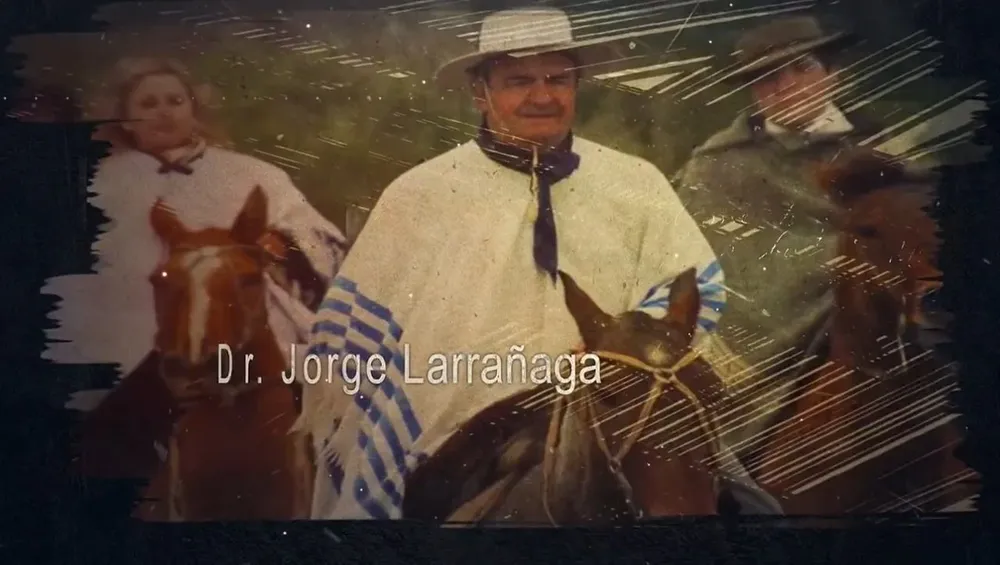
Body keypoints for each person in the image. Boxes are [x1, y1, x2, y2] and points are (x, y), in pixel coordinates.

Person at [297, 7, 781, 520]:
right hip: (461, 433)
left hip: (614, 420)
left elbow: (692, 286)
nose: (542, 96)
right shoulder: (421, 195)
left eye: (557, 79)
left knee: (744, 515)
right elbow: (354, 341)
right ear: (480, 93)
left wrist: (618, 348)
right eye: (518, 81)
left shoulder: (635, 184)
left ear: (577, 84)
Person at [673, 17, 937, 448]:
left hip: (886, 319)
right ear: (753, 93)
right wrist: (838, 259)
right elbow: (702, 259)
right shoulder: (719, 166)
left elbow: (923, 228)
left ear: (834, 75)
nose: (786, 86)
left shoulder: (887, 147)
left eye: (803, 68)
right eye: (767, 78)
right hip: (768, 335)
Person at [41, 57, 348, 410]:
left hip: (234, 316)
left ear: (194, 109)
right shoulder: (98, 182)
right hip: (128, 315)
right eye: (148, 104)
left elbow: (316, 233)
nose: (163, 113)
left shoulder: (249, 173)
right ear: (125, 118)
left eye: (175, 102)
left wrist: (280, 242)